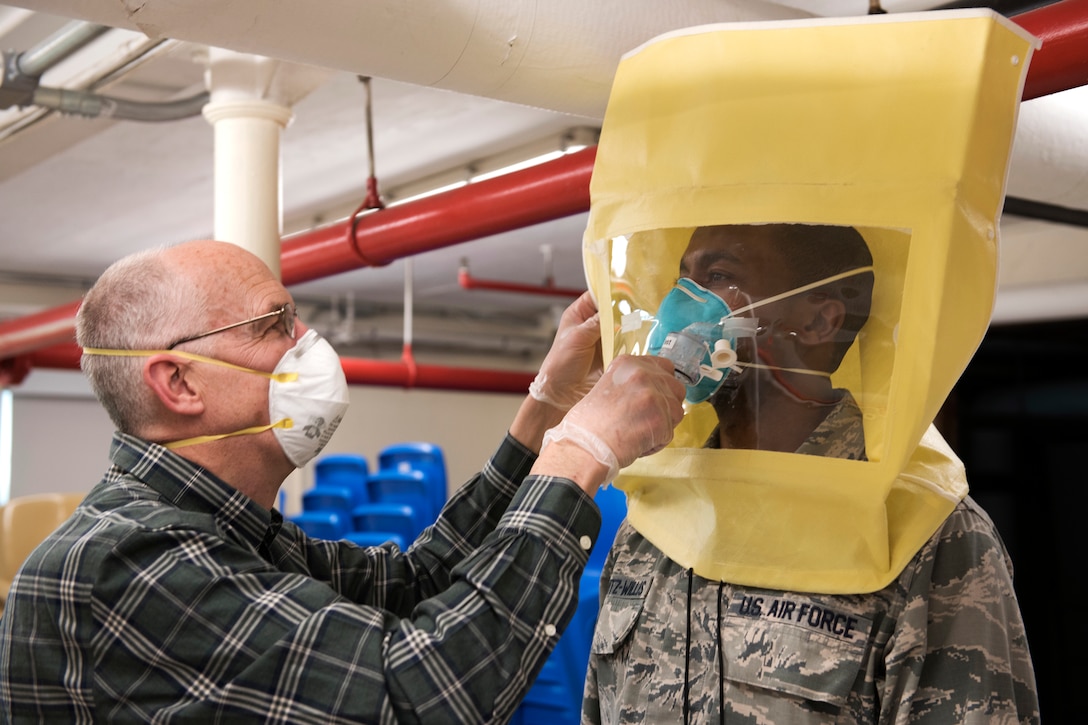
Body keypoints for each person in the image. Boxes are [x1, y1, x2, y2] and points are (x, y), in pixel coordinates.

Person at [0, 239, 686, 724]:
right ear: (178, 381)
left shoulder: (223, 530)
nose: (307, 340)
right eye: (273, 324)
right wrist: (579, 455)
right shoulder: (131, 561)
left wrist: (546, 409)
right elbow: (419, 698)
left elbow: (416, 583)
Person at [582, 223, 1040, 724]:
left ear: (820, 321)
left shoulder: (923, 533)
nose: (678, 306)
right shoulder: (654, 520)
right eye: (682, 277)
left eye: (717, 276)